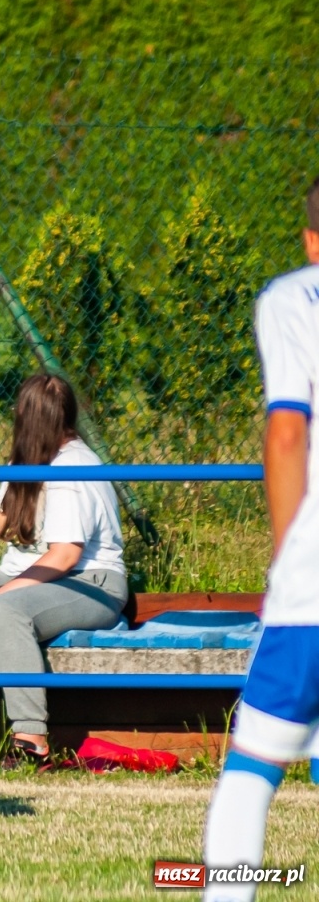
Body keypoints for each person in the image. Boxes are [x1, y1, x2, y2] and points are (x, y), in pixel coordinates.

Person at [201, 181, 319, 902]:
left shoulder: (293, 298)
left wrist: (288, 553)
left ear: (311, 240)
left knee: (251, 772)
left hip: (316, 581)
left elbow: (286, 429)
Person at [0, 373, 127, 767]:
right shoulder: (27, 458)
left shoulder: (73, 467)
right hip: (27, 575)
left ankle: (31, 740)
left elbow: (65, 556)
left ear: (29, 418)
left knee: (7, 609)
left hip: (91, 583)